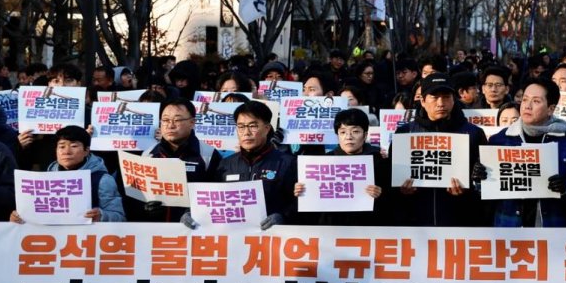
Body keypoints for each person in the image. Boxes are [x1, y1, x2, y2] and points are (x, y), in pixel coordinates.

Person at [481, 78, 566, 227]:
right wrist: (480, 177)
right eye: (525, 99)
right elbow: (487, 190)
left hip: (553, 227)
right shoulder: (500, 139)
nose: (527, 106)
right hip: (509, 226)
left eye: (536, 101)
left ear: (550, 109)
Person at [395, 74, 487, 225]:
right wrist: (402, 190)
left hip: (459, 220)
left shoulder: (473, 133)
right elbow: (390, 182)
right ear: (423, 101)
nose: (441, 103)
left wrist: (470, 186)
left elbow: (484, 182)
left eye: (446, 97)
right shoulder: (405, 134)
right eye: (434, 97)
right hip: (417, 223)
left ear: (454, 99)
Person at [205, 100, 296, 229]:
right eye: (241, 127)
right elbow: (210, 200)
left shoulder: (288, 162)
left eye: (253, 126)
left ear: (267, 129)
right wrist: (192, 213)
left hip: (273, 236)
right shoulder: (226, 164)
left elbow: (299, 202)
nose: (246, 132)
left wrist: (283, 217)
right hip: (233, 234)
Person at [293, 108, 391, 226]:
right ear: (337, 135)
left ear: (365, 135)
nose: (348, 137)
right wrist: (302, 191)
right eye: (343, 132)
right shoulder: (323, 162)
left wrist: (380, 194)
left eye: (355, 131)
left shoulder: (379, 161)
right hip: (331, 226)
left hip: (368, 226)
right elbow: (311, 207)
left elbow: (393, 202)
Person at [11, 126, 125, 223]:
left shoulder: (102, 180)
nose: (66, 152)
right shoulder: (47, 177)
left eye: (74, 146)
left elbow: (119, 217)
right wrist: (20, 217)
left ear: (86, 150)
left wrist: (102, 216)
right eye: (61, 146)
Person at [135, 99, 223, 222]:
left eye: (177, 120)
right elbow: (138, 196)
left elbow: (217, 196)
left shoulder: (208, 154)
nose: (170, 125)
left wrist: (194, 212)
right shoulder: (148, 154)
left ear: (192, 122)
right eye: (165, 120)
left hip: (194, 227)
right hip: (156, 229)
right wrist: (145, 207)